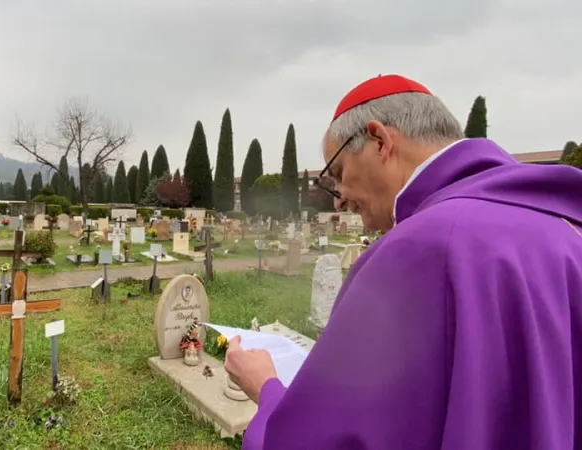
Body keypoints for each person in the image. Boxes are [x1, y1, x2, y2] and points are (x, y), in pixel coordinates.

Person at [225, 74, 582, 449]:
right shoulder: (565, 231)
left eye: (339, 173)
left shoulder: (422, 248)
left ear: (380, 141)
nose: (339, 199)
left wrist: (267, 390)